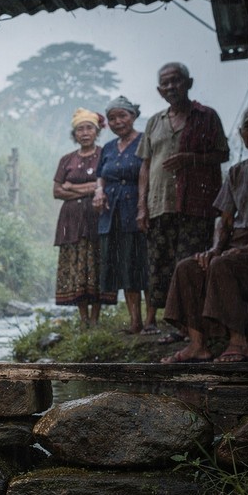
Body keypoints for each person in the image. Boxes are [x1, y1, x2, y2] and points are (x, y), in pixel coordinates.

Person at [161, 103, 248, 363]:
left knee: (223, 265)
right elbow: (224, 221)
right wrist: (215, 248)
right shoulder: (237, 172)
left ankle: (239, 341)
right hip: (239, 246)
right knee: (188, 267)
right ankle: (197, 344)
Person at [137, 62, 230, 337]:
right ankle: (177, 325)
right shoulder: (155, 121)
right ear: (159, 90)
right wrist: (142, 206)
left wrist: (191, 159)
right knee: (161, 265)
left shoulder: (206, 116)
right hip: (159, 203)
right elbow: (145, 165)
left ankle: (195, 326)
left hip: (195, 203)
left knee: (189, 264)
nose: (170, 87)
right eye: (165, 83)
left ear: (188, 83)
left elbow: (222, 154)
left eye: (176, 81)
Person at [92, 96, 148, 334]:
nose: (117, 122)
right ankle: (135, 321)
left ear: (133, 116)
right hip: (112, 213)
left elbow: (147, 171)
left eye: (122, 116)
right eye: (112, 118)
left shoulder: (144, 141)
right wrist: (99, 190)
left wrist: (143, 207)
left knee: (141, 263)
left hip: (136, 209)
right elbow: (100, 174)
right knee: (124, 266)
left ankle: (151, 321)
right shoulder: (108, 147)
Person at [53, 108, 105, 326]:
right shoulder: (67, 160)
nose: (84, 133)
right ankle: (84, 319)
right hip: (71, 222)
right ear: (74, 134)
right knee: (77, 267)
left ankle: (95, 318)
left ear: (96, 131)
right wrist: (89, 189)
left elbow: (103, 186)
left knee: (97, 264)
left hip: (97, 219)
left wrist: (73, 187)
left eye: (89, 128)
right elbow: (57, 191)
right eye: (80, 129)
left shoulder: (104, 155)